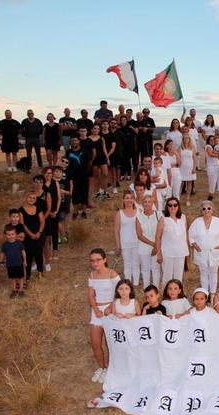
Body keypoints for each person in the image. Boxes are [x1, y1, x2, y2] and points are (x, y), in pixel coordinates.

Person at [86, 248, 120, 384]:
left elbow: (121, 293)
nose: (95, 263)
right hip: (97, 311)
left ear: (105, 260)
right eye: (92, 261)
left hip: (111, 310)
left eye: (98, 260)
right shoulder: (92, 275)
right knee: (95, 343)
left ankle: (113, 369)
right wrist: (95, 309)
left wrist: (109, 308)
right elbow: (90, 295)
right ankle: (102, 368)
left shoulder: (112, 274)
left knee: (110, 342)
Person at [189, 200, 219, 294]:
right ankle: (205, 294)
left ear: (212, 210)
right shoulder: (196, 222)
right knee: (203, 273)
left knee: (213, 273)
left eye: (209, 208)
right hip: (201, 252)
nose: (206, 210)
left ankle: (213, 294)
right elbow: (190, 235)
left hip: (215, 252)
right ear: (201, 211)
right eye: (204, 208)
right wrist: (195, 245)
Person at [156, 197, 189, 284]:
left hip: (180, 253)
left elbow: (185, 235)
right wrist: (159, 253)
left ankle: (178, 296)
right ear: (167, 207)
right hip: (167, 253)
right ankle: (166, 296)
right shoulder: (163, 219)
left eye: (175, 205)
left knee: (178, 278)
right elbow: (158, 237)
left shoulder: (183, 218)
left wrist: (186, 252)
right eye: (170, 205)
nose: (172, 207)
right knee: (167, 277)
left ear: (178, 206)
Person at [135, 194, 161, 289]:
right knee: (145, 269)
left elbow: (161, 232)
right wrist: (153, 244)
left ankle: (156, 290)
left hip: (157, 246)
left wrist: (156, 246)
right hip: (144, 247)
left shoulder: (159, 215)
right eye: (145, 202)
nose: (147, 204)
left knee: (155, 269)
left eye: (149, 202)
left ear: (152, 203)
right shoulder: (139, 217)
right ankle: (147, 290)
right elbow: (139, 235)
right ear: (142, 203)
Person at [114, 191, 140, 286]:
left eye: (131, 198)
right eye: (127, 198)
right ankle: (128, 285)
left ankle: (136, 284)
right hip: (125, 243)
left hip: (137, 242)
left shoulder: (138, 212)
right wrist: (118, 245)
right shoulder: (119, 213)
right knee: (127, 264)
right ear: (123, 200)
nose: (129, 200)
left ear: (134, 200)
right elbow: (116, 231)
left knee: (136, 264)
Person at [19, 191, 45, 280]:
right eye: (30, 197)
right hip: (27, 237)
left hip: (39, 235)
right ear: (26, 198)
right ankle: (28, 275)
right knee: (28, 255)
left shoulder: (38, 209)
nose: (32, 199)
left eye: (34, 198)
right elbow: (22, 224)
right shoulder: (21, 210)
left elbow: (42, 222)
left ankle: (40, 272)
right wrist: (31, 235)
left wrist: (39, 233)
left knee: (39, 254)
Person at [0, 224, 26, 297]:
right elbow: (2, 253)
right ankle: (14, 290)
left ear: (15, 234)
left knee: (20, 278)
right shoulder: (5, 244)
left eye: (12, 234)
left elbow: (23, 252)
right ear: (6, 235)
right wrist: (1, 261)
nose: (10, 236)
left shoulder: (19, 243)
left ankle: (21, 290)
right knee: (13, 278)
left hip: (19, 264)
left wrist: (25, 261)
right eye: (8, 234)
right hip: (10, 265)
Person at [66, 137, 89, 219]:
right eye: (72, 141)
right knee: (74, 194)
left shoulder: (84, 150)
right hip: (73, 177)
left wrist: (87, 172)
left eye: (75, 140)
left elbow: (89, 162)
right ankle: (75, 212)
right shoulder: (68, 152)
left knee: (84, 194)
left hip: (83, 176)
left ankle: (84, 212)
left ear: (79, 141)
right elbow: (66, 164)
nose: (74, 142)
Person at [204, 135, 219, 201]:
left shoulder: (218, 147)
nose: (212, 141)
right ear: (208, 141)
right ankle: (211, 194)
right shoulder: (208, 146)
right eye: (210, 139)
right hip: (212, 167)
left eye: (213, 139)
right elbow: (210, 154)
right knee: (212, 181)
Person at [100, 120, 117, 194]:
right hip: (101, 155)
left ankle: (114, 187)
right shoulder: (99, 135)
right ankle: (102, 187)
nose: (105, 125)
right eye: (104, 124)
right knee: (103, 173)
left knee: (113, 171)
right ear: (101, 125)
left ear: (108, 125)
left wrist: (107, 156)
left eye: (107, 124)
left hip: (111, 154)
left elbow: (113, 147)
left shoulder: (112, 134)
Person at [179, 134, 197, 203]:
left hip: (190, 168)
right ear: (183, 139)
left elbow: (194, 158)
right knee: (181, 182)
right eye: (184, 138)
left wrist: (194, 168)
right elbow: (178, 158)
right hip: (182, 168)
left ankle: (187, 198)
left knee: (189, 183)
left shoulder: (192, 147)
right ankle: (178, 197)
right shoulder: (180, 147)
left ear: (189, 139)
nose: (186, 139)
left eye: (187, 138)